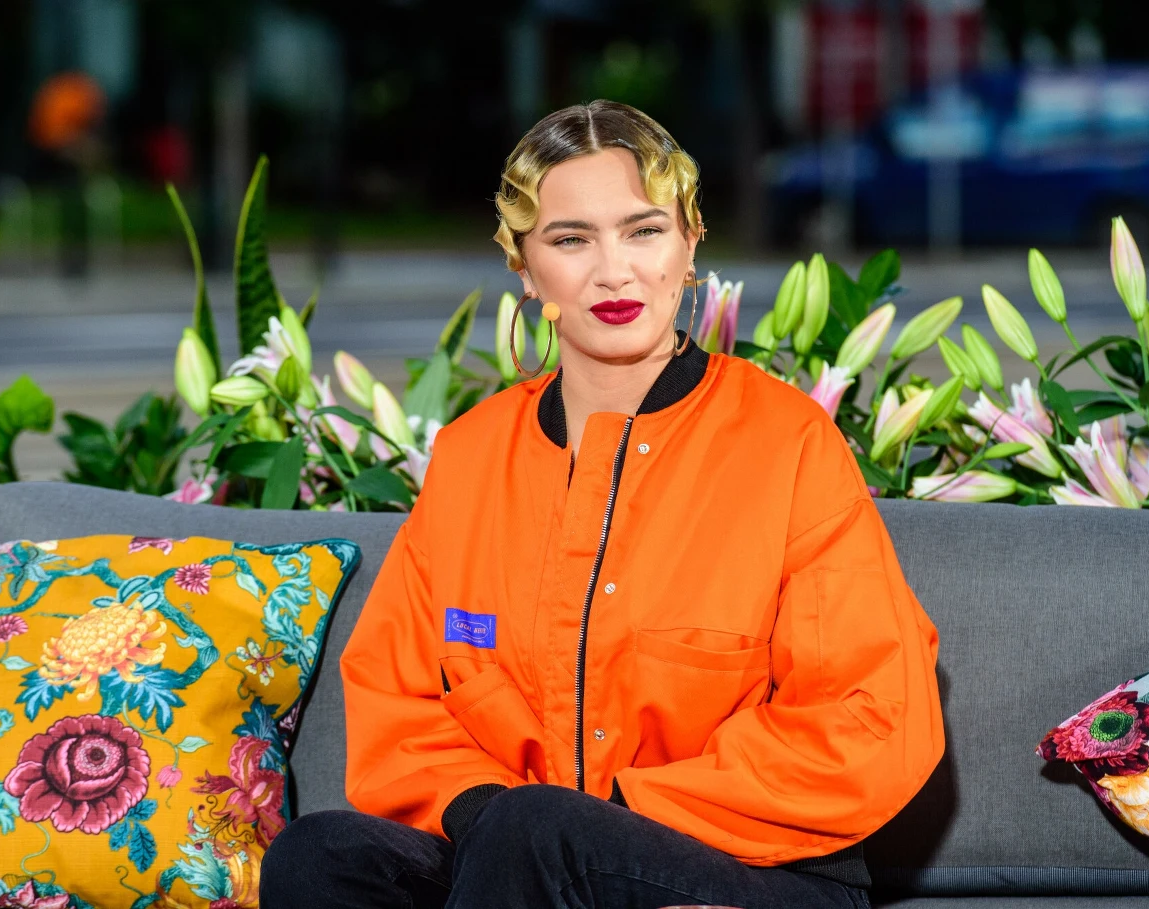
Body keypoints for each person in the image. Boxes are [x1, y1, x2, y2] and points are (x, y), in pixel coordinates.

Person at [260, 99, 944, 909]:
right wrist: (488, 809)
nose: (614, 271)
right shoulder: (472, 454)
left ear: (691, 243)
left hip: (760, 870)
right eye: (571, 239)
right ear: (524, 263)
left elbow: (870, 715)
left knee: (536, 832)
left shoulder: (788, 441)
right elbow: (397, 699)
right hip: (519, 859)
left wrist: (607, 814)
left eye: (644, 230)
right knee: (321, 854)